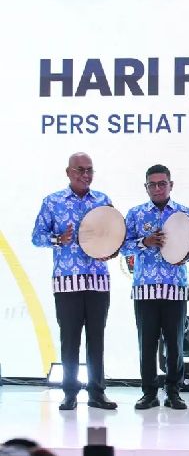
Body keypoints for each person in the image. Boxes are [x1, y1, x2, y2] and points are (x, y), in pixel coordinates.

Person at [31, 152, 118, 411]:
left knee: (96, 338)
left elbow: (116, 236)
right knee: (69, 339)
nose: (85, 174)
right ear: (68, 172)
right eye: (80, 169)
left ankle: (97, 392)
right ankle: (69, 393)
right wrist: (58, 239)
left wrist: (111, 251)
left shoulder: (103, 200)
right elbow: (37, 237)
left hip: (98, 281)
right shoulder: (53, 201)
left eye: (89, 169)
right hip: (67, 282)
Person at [121, 164, 189, 410]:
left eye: (162, 183)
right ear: (146, 187)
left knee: (175, 344)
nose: (157, 188)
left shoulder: (184, 213)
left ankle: (174, 392)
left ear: (170, 185)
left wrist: (181, 252)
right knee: (147, 344)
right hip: (145, 289)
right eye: (152, 184)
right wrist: (145, 242)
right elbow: (121, 247)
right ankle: (149, 393)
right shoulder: (135, 214)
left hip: (175, 288)